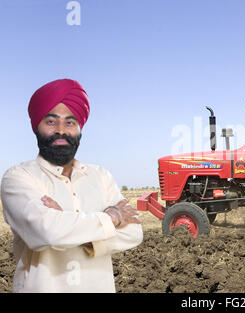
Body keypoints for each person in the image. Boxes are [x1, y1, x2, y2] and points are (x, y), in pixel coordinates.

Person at [0, 79, 143, 293]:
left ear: (79, 128)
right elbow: (47, 231)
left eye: (70, 122)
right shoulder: (18, 178)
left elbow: (134, 231)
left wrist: (80, 235)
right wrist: (112, 217)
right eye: (51, 121)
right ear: (36, 126)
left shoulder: (100, 176)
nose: (61, 131)